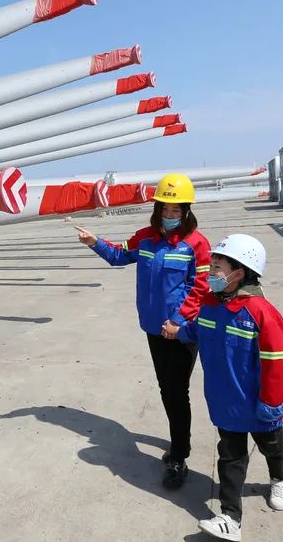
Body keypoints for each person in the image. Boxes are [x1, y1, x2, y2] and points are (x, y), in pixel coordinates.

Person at [75, 173, 211, 489]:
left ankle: (179, 455)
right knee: (166, 389)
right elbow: (120, 255)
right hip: (153, 328)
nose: (170, 215)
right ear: (158, 209)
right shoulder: (145, 238)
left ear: (186, 211)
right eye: (165, 209)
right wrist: (95, 242)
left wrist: (178, 320)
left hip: (180, 332)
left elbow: (201, 287)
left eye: (176, 210)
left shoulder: (196, 244)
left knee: (177, 392)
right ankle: (180, 441)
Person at [163, 233, 283, 542]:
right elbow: (198, 329)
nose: (210, 272)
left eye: (217, 267)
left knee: (271, 444)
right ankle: (231, 518)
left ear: (239, 272)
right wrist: (177, 332)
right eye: (211, 266)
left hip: (258, 403)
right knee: (230, 457)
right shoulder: (210, 304)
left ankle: (280, 478)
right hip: (226, 402)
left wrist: (272, 402)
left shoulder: (260, 312)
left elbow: (279, 362)